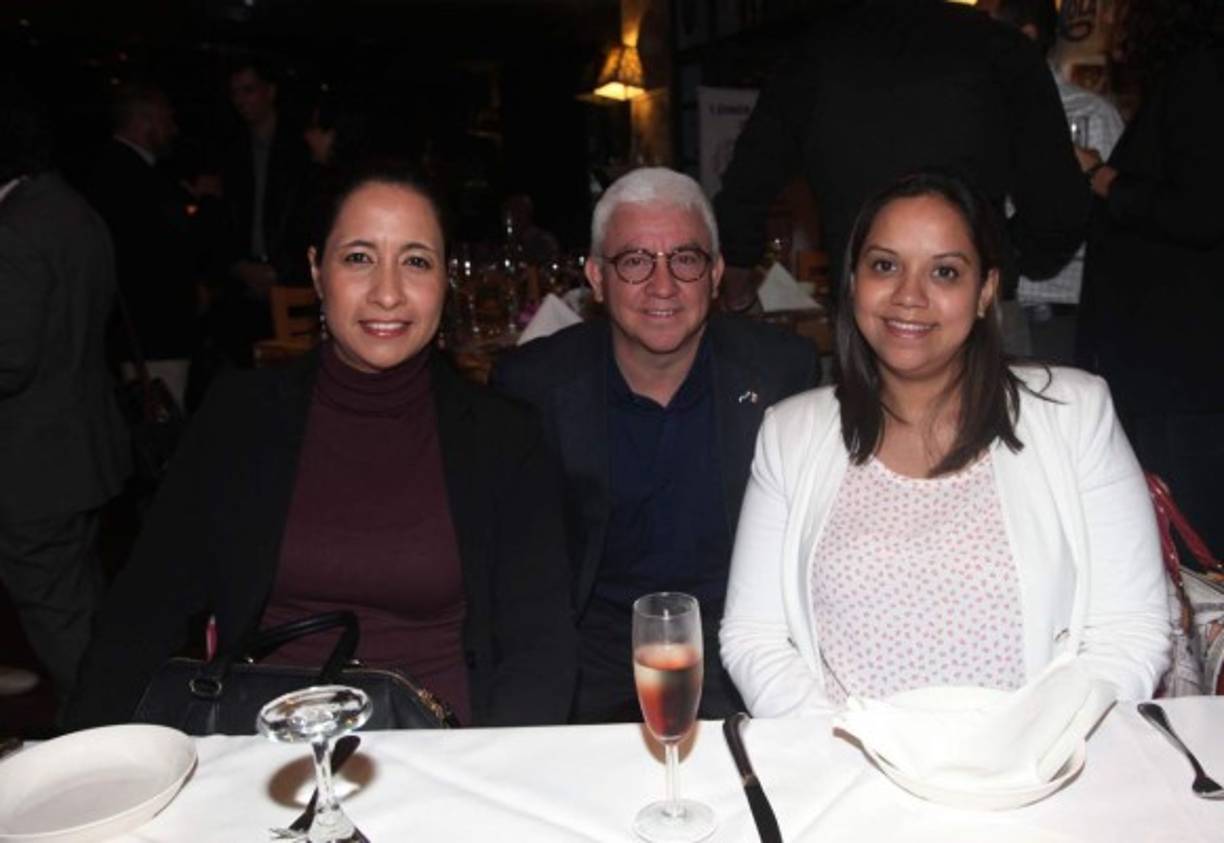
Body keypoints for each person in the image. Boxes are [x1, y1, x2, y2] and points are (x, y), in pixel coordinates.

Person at [66, 161, 576, 729]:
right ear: (316, 272)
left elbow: (540, 649)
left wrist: (487, 781)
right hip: (267, 754)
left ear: (445, 281)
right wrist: (86, 762)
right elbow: (144, 609)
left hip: (438, 753)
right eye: (359, 258)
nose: (387, 292)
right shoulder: (241, 418)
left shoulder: (503, 438)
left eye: (415, 261)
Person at [721, 172, 1170, 717]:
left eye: (945, 272)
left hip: (1035, 775)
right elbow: (754, 637)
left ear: (985, 292)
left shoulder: (1076, 414)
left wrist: (1032, 752)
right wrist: (846, 750)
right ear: (854, 282)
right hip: (848, 771)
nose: (909, 296)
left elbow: (1130, 633)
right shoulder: (790, 434)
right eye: (885, 266)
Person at [491, 167, 820, 724]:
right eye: (635, 261)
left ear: (715, 274)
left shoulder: (781, 373)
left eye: (686, 259)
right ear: (597, 277)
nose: (662, 286)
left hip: (736, 663)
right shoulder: (534, 388)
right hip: (584, 669)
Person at [712, 0, 1089, 354]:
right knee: (995, 421)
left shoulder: (813, 54)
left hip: (867, 315)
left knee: (860, 422)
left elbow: (745, 189)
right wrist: (998, 258)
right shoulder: (1001, 49)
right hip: (973, 311)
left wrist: (739, 291)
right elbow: (1059, 210)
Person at [1077, 0, 1224, 554]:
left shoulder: (1200, 73)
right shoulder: (1195, 72)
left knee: (1193, 545)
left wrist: (1104, 179)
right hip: (1182, 366)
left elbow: (1202, 211)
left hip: (1183, 366)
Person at [0, 85, 131, 702]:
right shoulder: (76, 209)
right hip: (81, 445)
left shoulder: (15, 228)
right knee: (82, 600)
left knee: (58, 610)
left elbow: (9, 359)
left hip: (33, 461)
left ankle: (105, 733)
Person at [989, 0, 1126, 364]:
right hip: (986, 309)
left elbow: (1120, 222)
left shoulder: (1089, 114)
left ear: (1026, 37)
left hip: (1056, 312)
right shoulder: (975, 109)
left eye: (985, 32)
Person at [88, 80, 199, 409]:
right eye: (166, 120)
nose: (173, 129)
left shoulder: (114, 170)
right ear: (144, 121)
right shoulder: (132, 178)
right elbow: (159, 254)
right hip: (152, 332)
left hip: (139, 330)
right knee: (161, 422)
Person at [211, 59, 309, 366]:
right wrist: (237, 266)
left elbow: (309, 219)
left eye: (249, 90)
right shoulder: (230, 151)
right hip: (242, 290)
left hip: (292, 286)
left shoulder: (299, 149)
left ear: (270, 92)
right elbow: (220, 223)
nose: (241, 99)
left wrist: (281, 269)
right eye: (235, 92)